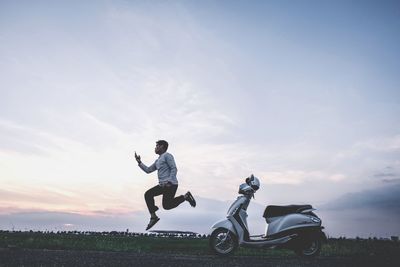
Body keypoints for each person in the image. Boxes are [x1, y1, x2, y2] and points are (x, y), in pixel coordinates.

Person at [135, 140, 196, 230]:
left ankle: (185, 197)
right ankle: (153, 216)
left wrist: (170, 181)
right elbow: (148, 170)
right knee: (152, 196)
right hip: (162, 185)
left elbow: (174, 168)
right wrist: (139, 162)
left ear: (162, 146)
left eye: (157, 146)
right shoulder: (158, 160)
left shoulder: (167, 156)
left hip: (171, 185)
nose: (155, 148)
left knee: (163, 204)